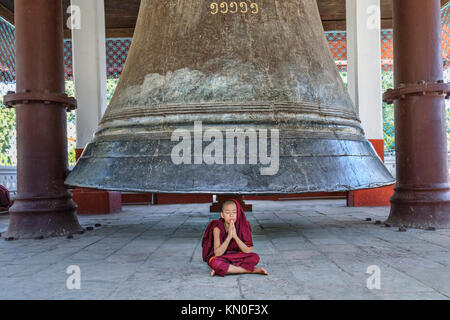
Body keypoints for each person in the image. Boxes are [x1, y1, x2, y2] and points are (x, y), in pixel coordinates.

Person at [202, 198, 268, 277]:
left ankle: (224, 269)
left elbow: (247, 251)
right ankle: (252, 270)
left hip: (236, 255)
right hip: (222, 257)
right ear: (222, 215)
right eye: (227, 212)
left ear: (238, 214)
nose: (231, 215)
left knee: (255, 257)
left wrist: (235, 237)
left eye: (234, 212)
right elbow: (217, 253)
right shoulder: (217, 228)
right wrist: (229, 237)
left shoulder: (243, 226)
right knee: (215, 262)